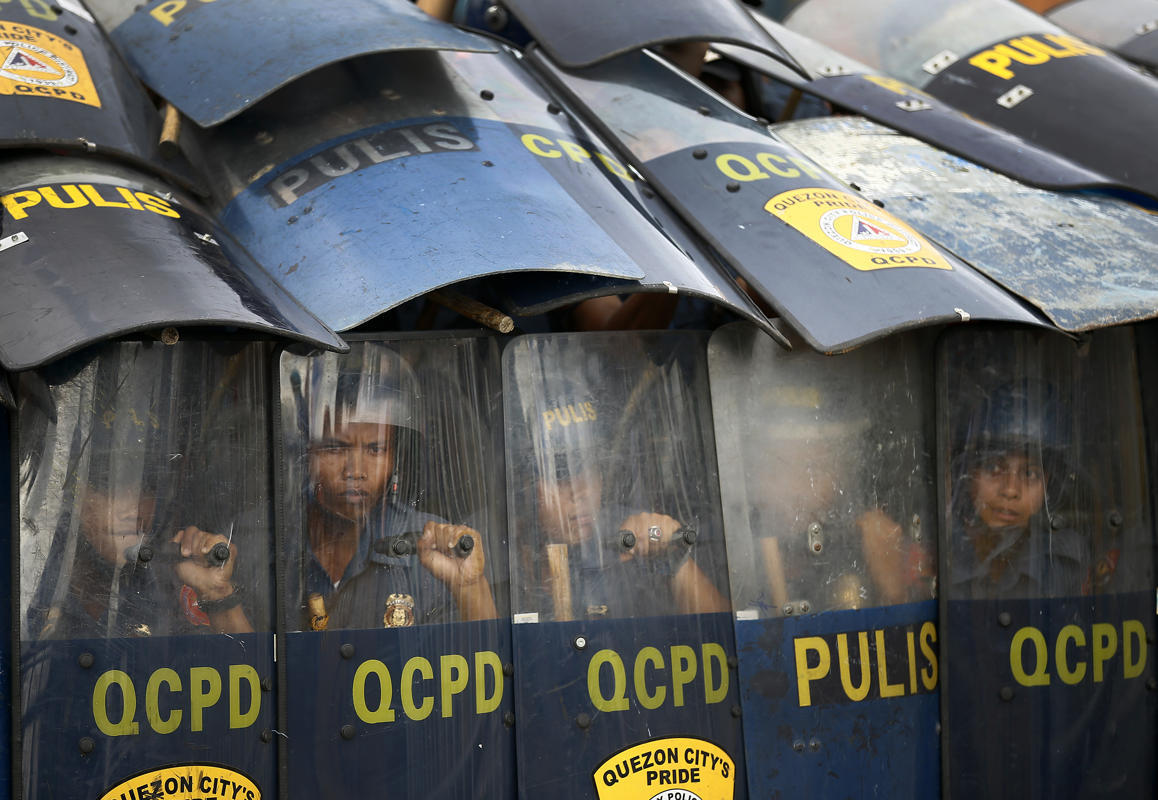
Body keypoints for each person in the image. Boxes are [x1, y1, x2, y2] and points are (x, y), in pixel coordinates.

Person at [289, 346, 498, 630]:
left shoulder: (431, 547)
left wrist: (469, 585)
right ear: (308, 452)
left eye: (375, 449)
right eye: (336, 447)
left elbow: (482, 662)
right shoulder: (264, 538)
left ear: (394, 457)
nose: (356, 471)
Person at [516, 380, 728, 620]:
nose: (581, 492)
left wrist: (671, 555)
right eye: (561, 476)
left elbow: (720, 632)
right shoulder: (503, 555)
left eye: (590, 467)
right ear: (527, 485)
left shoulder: (630, 535)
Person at [947, 381, 1088, 599]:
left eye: (1030, 474)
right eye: (993, 468)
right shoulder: (937, 558)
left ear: (1047, 486)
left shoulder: (1066, 563)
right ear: (968, 475)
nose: (1011, 490)